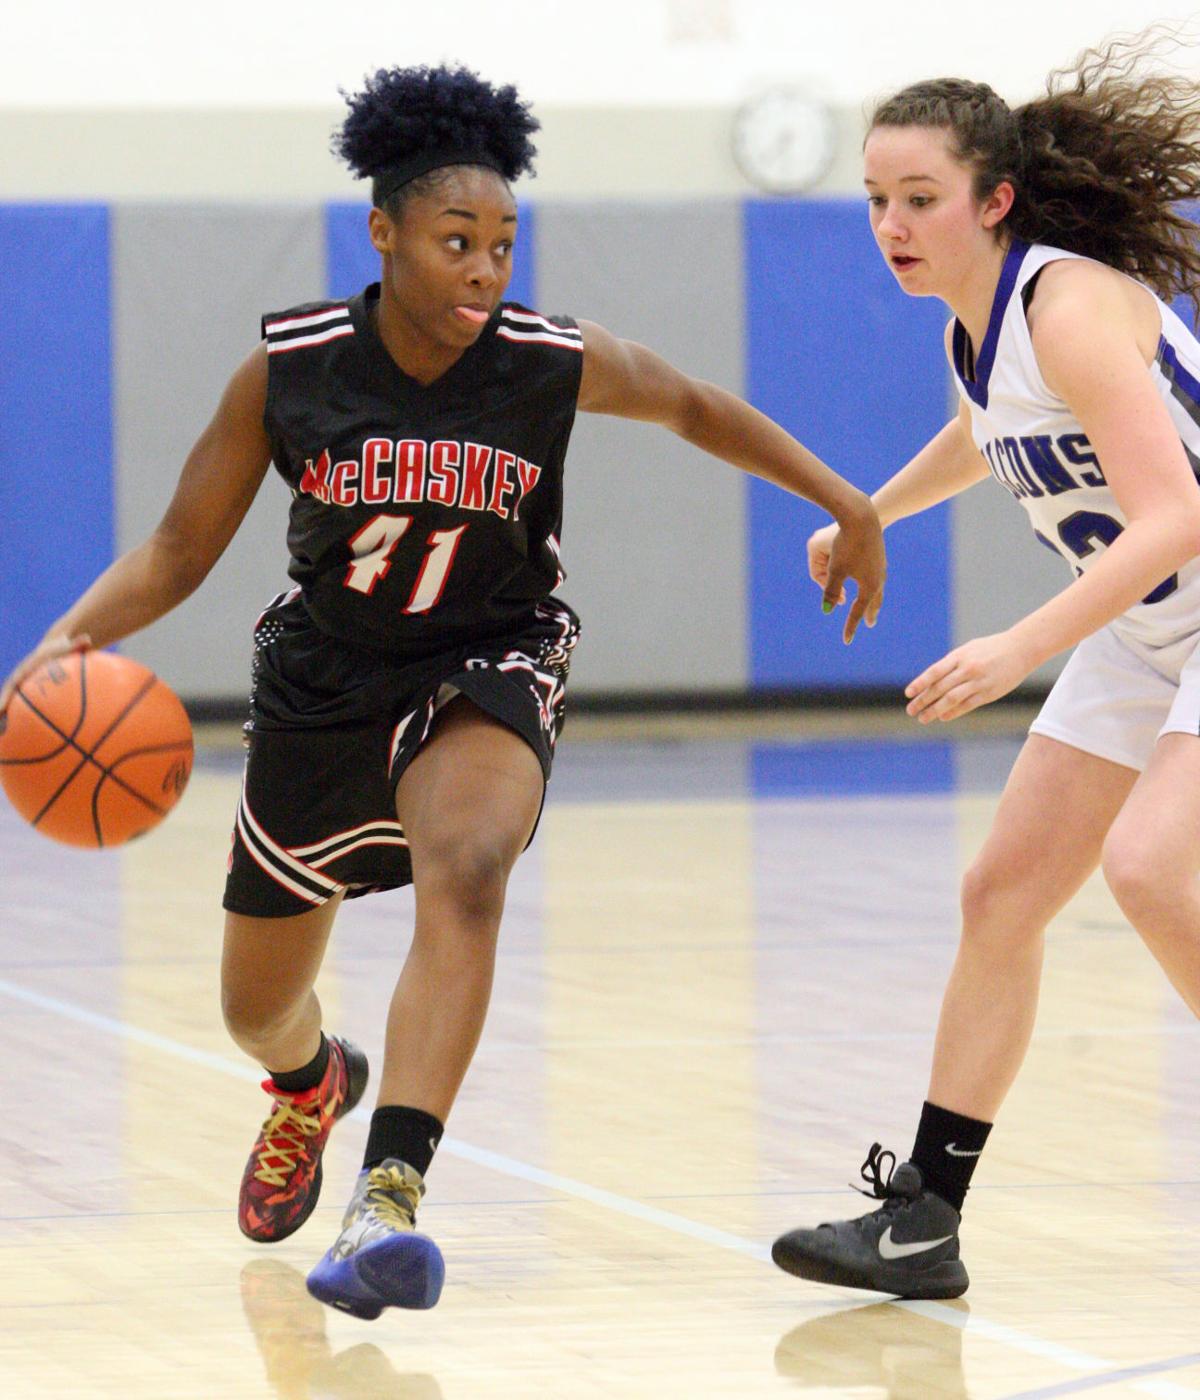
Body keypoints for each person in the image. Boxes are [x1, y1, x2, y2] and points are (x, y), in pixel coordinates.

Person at [0, 64, 885, 1319]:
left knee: (468, 868)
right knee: (254, 1006)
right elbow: (178, 551)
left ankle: (388, 1197)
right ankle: (312, 1083)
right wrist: (63, 640)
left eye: (503, 244)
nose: (484, 269)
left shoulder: (544, 362)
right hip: (323, 678)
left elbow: (691, 404)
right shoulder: (292, 368)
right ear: (385, 233)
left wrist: (845, 499)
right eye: (456, 240)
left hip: (491, 652)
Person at [771, 32, 1200, 1301]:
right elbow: (983, 429)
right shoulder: (982, 327)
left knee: (1148, 864)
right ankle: (923, 1220)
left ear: (993, 200)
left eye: (919, 200)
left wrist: (1021, 642)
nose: (891, 225)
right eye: (876, 202)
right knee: (1001, 892)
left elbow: (1177, 512)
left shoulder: (1065, 305)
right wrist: (868, 510)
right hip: (1150, 627)